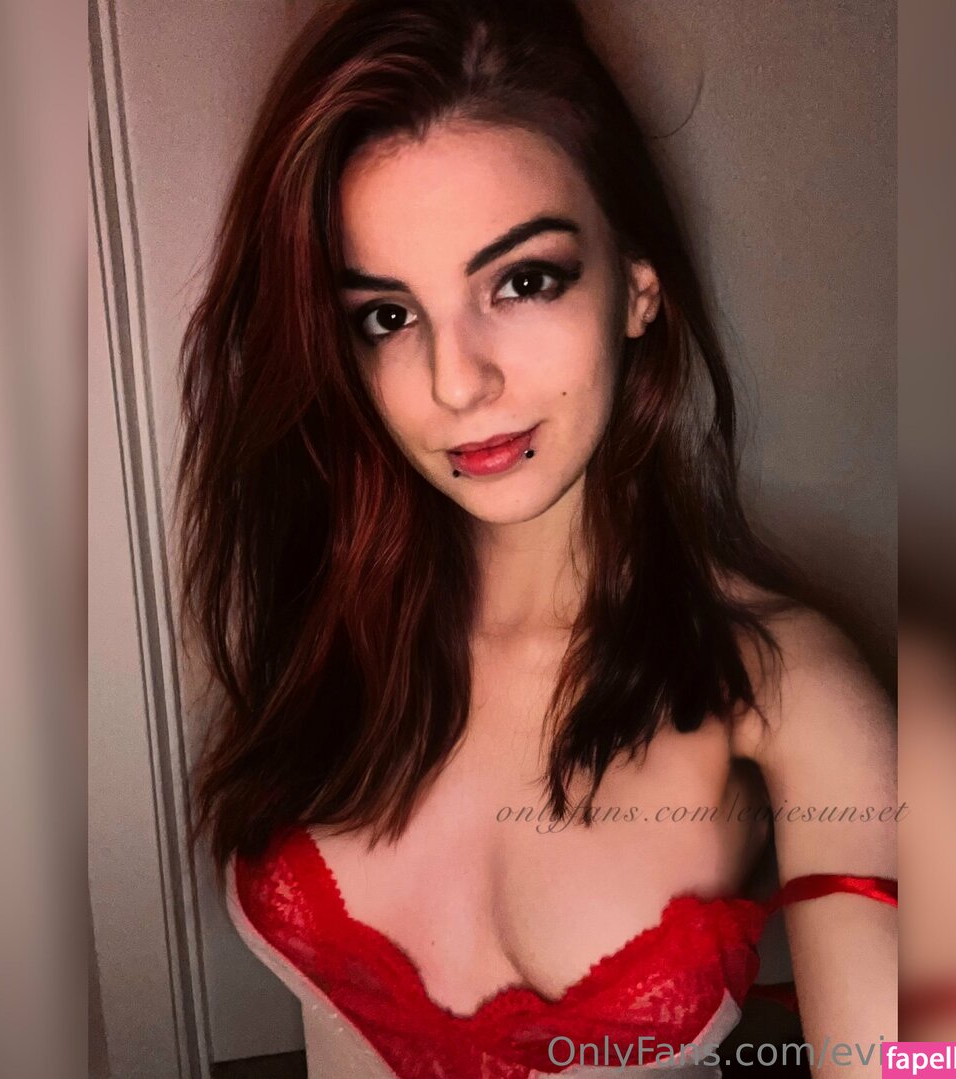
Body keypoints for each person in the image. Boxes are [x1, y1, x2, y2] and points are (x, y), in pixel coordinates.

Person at [176, 0, 897, 1075]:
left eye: (521, 280)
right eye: (387, 315)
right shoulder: (330, 617)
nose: (455, 382)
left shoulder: (789, 693)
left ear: (638, 288)